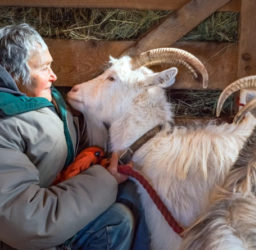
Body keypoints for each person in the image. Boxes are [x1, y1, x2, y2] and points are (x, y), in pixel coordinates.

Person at [0, 23, 149, 250]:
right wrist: (105, 179)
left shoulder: (46, 102)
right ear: (13, 75)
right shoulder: (5, 124)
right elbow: (28, 223)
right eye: (43, 68)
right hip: (30, 237)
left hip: (57, 206)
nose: (54, 75)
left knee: (134, 193)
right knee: (119, 220)